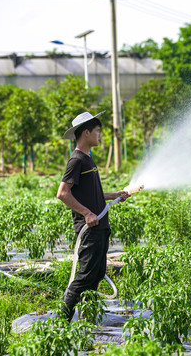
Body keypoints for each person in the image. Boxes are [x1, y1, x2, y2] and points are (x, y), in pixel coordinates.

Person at [56, 110, 129, 322]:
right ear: (86, 132)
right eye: (97, 131)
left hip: (100, 226)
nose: (100, 135)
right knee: (85, 276)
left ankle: (88, 320)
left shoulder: (88, 159)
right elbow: (63, 193)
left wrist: (114, 195)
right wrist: (87, 213)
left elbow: (90, 193)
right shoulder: (77, 160)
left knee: (96, 275)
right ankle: (61, 321)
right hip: (89, 229)